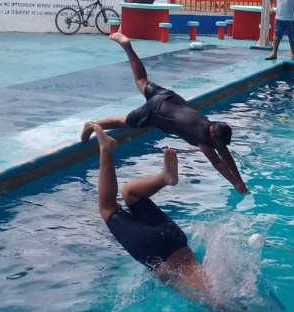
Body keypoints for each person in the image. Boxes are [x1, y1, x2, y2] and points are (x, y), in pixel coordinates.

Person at [81, 33, 248, 194]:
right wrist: (235, 182)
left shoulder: (212, 127)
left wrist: (239, 181)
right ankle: (92, 125)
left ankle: (127, 46)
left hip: (169, 98)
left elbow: (225, 153)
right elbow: (218, 162)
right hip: (157, 111)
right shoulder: (202, 138)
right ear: (213, 137)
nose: (219, 147)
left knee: (141, 80)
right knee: (122, 122)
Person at [90, 122, 216, 306]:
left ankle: (164, 178)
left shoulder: (219, 283)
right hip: (156, 251)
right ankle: (106, 149)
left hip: (176, 238)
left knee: (130, 193)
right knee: (107, 207)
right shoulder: (213, 298)